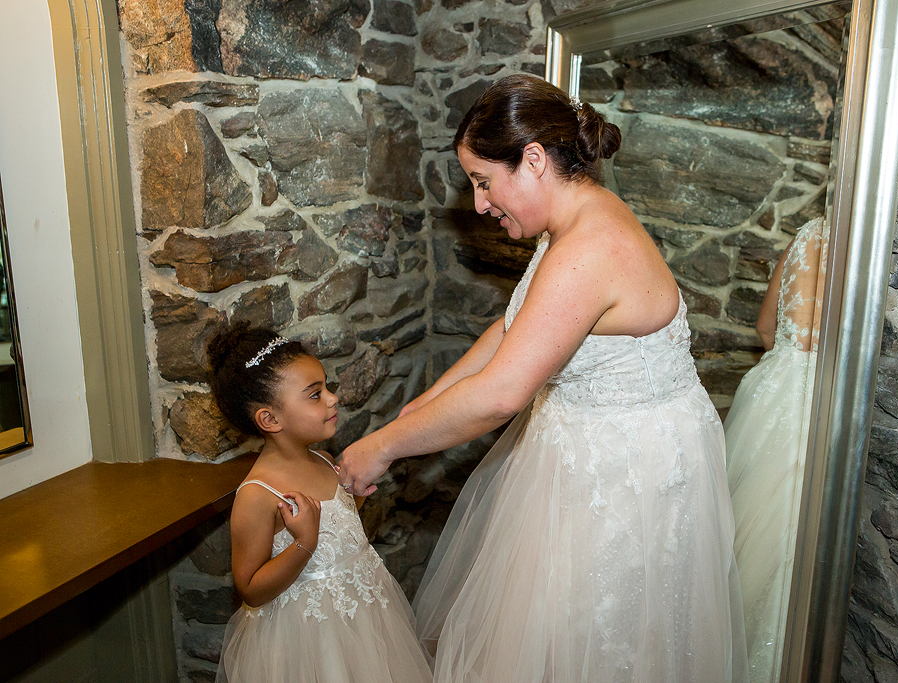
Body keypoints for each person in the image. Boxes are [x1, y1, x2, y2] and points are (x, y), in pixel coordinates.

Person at [341, 74, 747, 682]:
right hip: (585, 449)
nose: (479, 205)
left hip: (625, 477)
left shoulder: (589, 247)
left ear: (532, 160)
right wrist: (424, 405)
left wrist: (379, 448)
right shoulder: (571, 221)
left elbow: (504, 391)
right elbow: (515, 327)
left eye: (483, 181)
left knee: (593, 644)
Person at [206, 322, 432, 683]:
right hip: (307, 636)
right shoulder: (258, 495)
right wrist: (303, 543)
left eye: (327, 387)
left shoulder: (326, 459)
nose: (333, 398)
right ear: (269, 418)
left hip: (363, 614)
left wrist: (353, 501)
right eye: (315, 394)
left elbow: (335, 531)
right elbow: (249, 587)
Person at [724, 217, 826, 683]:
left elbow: (767, 328)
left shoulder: (809, 232)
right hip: (817, 397)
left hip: (770, 391)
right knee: (792, 543)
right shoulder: (869, 241)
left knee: (746, 532)